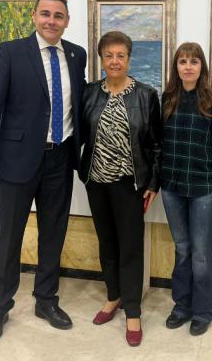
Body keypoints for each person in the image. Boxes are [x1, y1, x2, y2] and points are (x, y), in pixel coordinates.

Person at [0, 0, 87, 343]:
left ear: (67, 21)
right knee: (9, 236)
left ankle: (46, 300)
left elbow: (78, 106)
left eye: (58, 15)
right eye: (45, 14)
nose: (51, 20)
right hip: (17, 160)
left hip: (60, 158)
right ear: (34, 17)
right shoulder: (11, 52)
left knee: (53, 234)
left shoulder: (76, 55)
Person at [79, 31, 161, 347]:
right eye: (109, 55)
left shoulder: (145, 95)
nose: (115, 61)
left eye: (121, 55)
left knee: (130, 247)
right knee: (107, 243)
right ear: (101, 59)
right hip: (97, 183)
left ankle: (133, 311)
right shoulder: (89, 94)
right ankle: (113, 297)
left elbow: (156, 145)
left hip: (130, 185)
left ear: (129, 58)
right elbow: (80, 136)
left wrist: (153, 182)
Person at [160, 42, 212, 336]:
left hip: (204, 188)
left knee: (201, 252)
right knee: (182, 248)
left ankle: (202, 311)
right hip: (172, 187)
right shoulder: (166, 100)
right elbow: (157, 145)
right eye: (182, 61)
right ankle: (182, 305)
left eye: (194, 61)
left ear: (202, 67)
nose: (188, 66)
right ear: (176, 67)